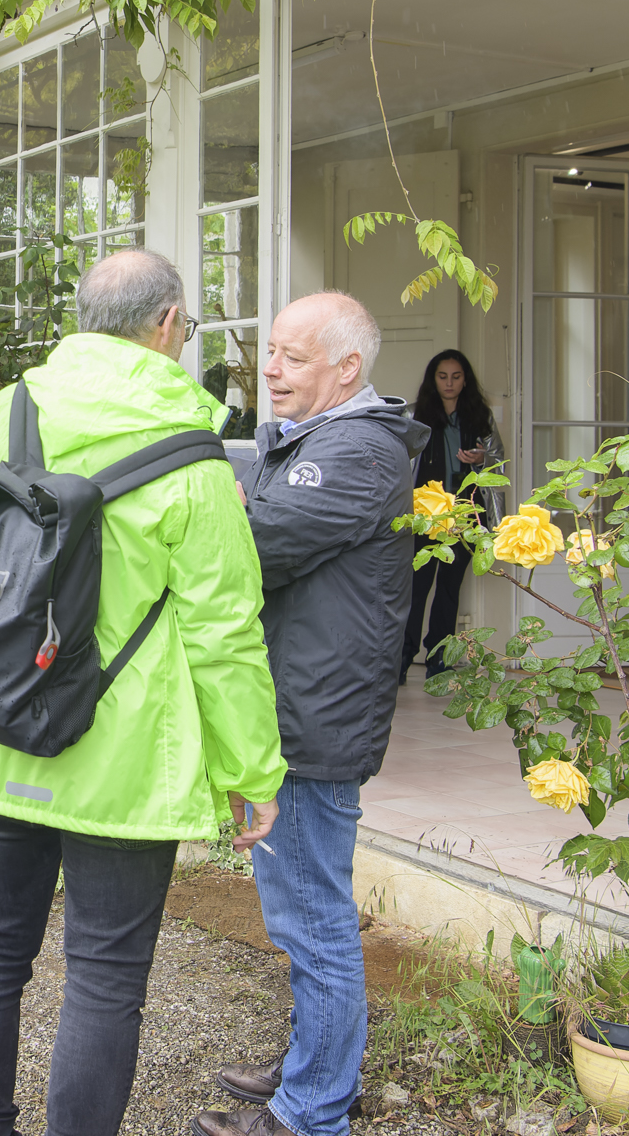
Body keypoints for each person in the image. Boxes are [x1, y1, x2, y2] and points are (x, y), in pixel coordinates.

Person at [0, 250, 286, 1136]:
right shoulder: (192, 457)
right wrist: (252, 769)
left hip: (2, 731)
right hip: (122, 761)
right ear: (165, 326)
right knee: (106, 977)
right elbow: (224, 632)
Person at [197, 292, 428, 1136]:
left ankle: (312, 1109)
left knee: (313, 918)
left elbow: (249, 547)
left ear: (346, 369)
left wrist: (226, 503)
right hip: (298, 708)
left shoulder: (357, 450)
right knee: (301, 911)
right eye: (271, 352)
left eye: (293, 357)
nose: (271, 367)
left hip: (312, 723)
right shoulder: (314, 442)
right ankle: (316, 1066)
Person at [402, 350, 504, 685]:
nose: (449, 383)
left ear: (465, 379)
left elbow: (496, 461)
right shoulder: (415, 415)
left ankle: (439, 659)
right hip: (424, 514)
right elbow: (399, 462)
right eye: (442, 376)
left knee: (449, 589)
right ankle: (401, 659)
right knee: (415, 589)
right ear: (433, 379)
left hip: (463, 514)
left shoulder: (478, 415)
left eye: (456, 376)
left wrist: (480, 456)